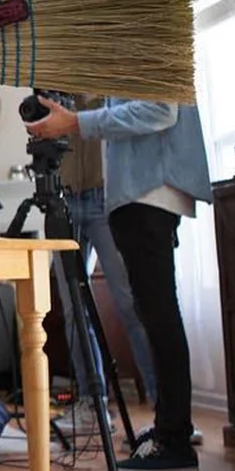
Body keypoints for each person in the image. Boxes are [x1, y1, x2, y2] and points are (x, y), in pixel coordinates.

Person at [26, 95, 212, 471]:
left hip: (149, 192)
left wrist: (77, 123)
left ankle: (174, 440)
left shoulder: (144, 41)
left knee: (157, 316)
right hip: (140, 193)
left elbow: (159, 112)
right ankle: (168, 429)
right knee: (154, 313)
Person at [50, 95, 157, 436]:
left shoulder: (103, 77)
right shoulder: (50, 86)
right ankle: (92, 404)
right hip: (64, 199)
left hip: (106, 197)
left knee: (132, 304)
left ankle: (164, 410)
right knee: (73, 313)